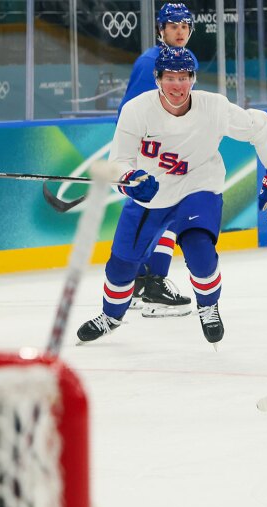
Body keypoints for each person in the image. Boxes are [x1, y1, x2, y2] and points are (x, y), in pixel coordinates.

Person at [75, 47, 267, 347]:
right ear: (157, 79)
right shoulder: (137, 111)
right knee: (121, 265)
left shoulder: (213, 108)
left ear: (193, 78)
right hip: (152, 195)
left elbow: (261, 126)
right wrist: (129, 181)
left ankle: (208, 306)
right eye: (169, 78)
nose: (177, 85)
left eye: (183, 77)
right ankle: (112, 316)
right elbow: (119, 161)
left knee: (199, 249)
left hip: (198, 186)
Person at [114, 3, 202, 316]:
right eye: (172, 26)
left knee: (160, 219)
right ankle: (151, 284)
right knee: (163, 216)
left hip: (169, 157)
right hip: (152, 159)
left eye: (184, 26)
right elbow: (131, 113)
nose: (179, 32)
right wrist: (134, 161)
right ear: (161, 29)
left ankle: (143, 282)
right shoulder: (150, 62)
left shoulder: (186, 61)